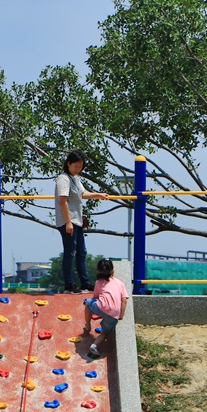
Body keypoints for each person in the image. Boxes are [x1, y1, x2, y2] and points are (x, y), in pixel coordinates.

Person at [54, 150, 108, 293]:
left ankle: (84, 282)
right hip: (68, 221)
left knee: (81, 252)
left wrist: (98, 194)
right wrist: (68, 222)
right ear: (68, 164)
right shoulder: (63, 179)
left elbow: (82, 194)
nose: (78, 169)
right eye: (75, 166)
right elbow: (63, 200)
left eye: (80, 166)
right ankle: (69, 284)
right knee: (70, 252)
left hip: (77, 220)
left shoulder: (75, 179)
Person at [83, 259, 130, 359]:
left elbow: (95, 297)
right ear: (113, 270)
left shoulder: (99, 282)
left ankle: (87, 325)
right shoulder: (120, 283)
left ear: (98, 271)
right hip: (114, 314)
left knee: (88, 304)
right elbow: (124, 300)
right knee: (104, 332)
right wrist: (120, 316)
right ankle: (94, 345)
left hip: (101, 307)